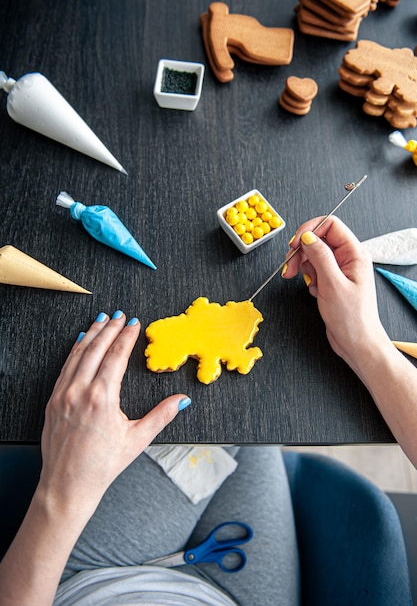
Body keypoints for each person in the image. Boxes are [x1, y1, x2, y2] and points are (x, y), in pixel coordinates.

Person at [0, 216, 414, 605]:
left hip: (84, 581)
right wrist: (364, 345)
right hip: (231, 597)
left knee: (237, 428)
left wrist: (61, 494)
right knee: (249, 429)